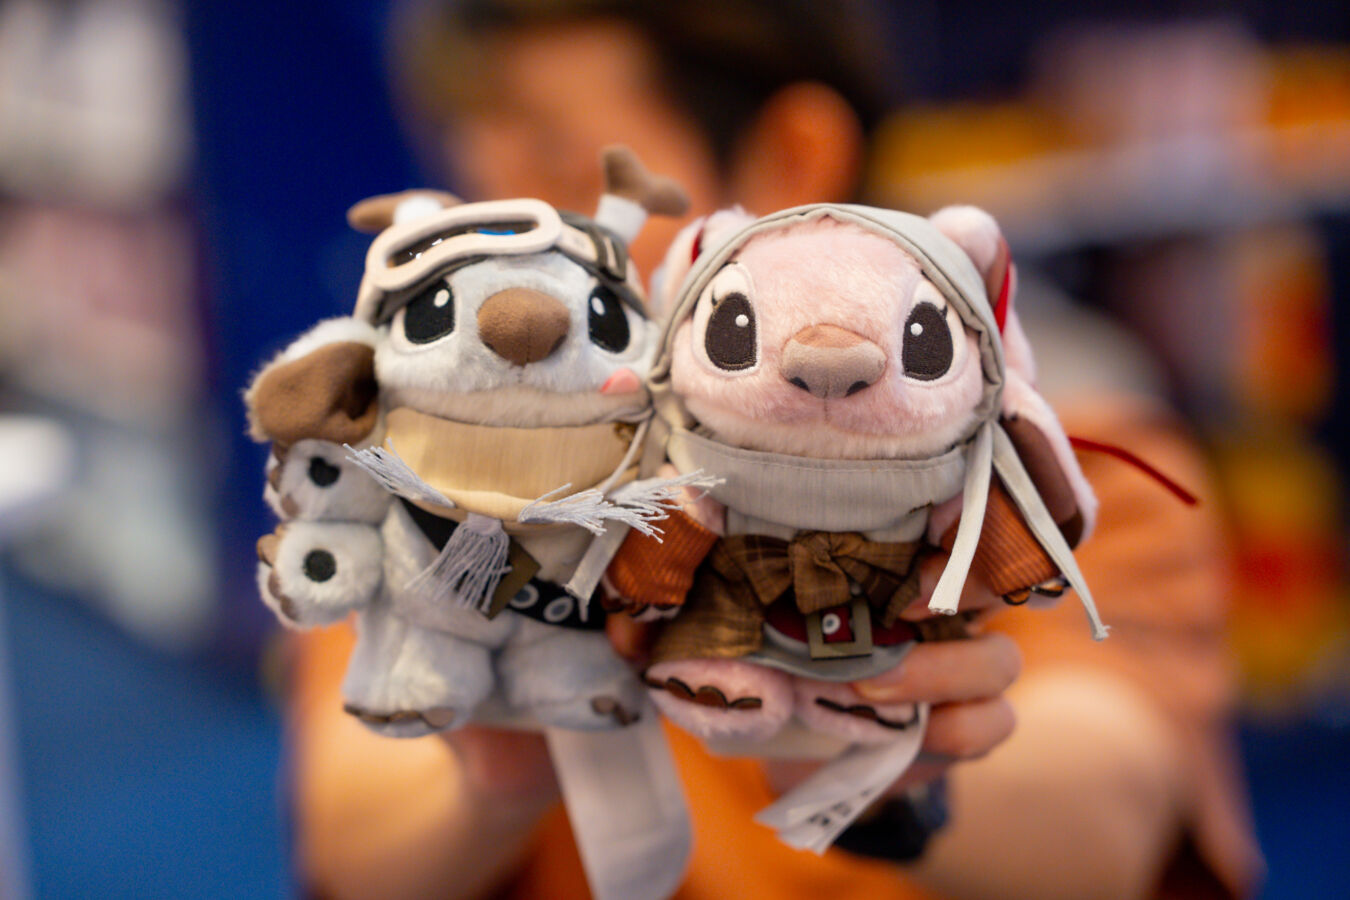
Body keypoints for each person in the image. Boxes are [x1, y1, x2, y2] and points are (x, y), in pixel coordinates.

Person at [286, 2, 1262, 898]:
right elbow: (350, 826)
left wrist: (888, 773)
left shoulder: (1078, 453)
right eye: (482, 202)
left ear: (790, 159)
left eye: (566, 182)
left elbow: (1107, 808)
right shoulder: (447, 471)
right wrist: (495, 773)